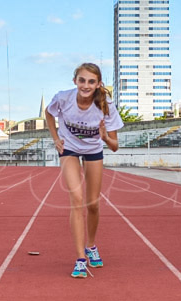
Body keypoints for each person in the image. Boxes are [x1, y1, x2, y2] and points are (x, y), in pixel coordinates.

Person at [44, 62, 124, 278]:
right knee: (76, 199)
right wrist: (55, 138)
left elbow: (115, 146)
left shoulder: (106, 105)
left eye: (91, 81)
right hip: (69, 149)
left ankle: (91, 245)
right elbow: (48, 113)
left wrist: (105, 136)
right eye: (82, 80)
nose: (86, 85)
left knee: (93, 204)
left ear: (98, 84)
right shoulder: (63, 98)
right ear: (75, 81)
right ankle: (80, 258)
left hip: (94, 150)